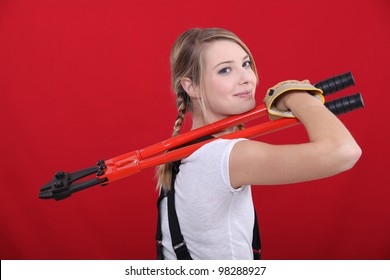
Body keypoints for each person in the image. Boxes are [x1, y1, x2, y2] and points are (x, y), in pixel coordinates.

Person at [156, 27, 362, 260]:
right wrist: (296, 96)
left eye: (245, 64)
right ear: (190, 87)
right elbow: (344, 151)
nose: (246, 78)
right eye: (225, 70)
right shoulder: (225, 156)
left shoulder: (185, 154)